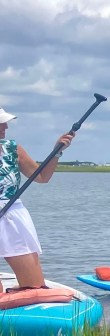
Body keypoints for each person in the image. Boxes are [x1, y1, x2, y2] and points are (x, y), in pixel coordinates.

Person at [0, 107, 74, 292]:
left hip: (11, 215)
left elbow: (41, 177)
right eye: (1, 123)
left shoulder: (13, 148)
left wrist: (57, 152)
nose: (6, 126)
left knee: (34, 286)